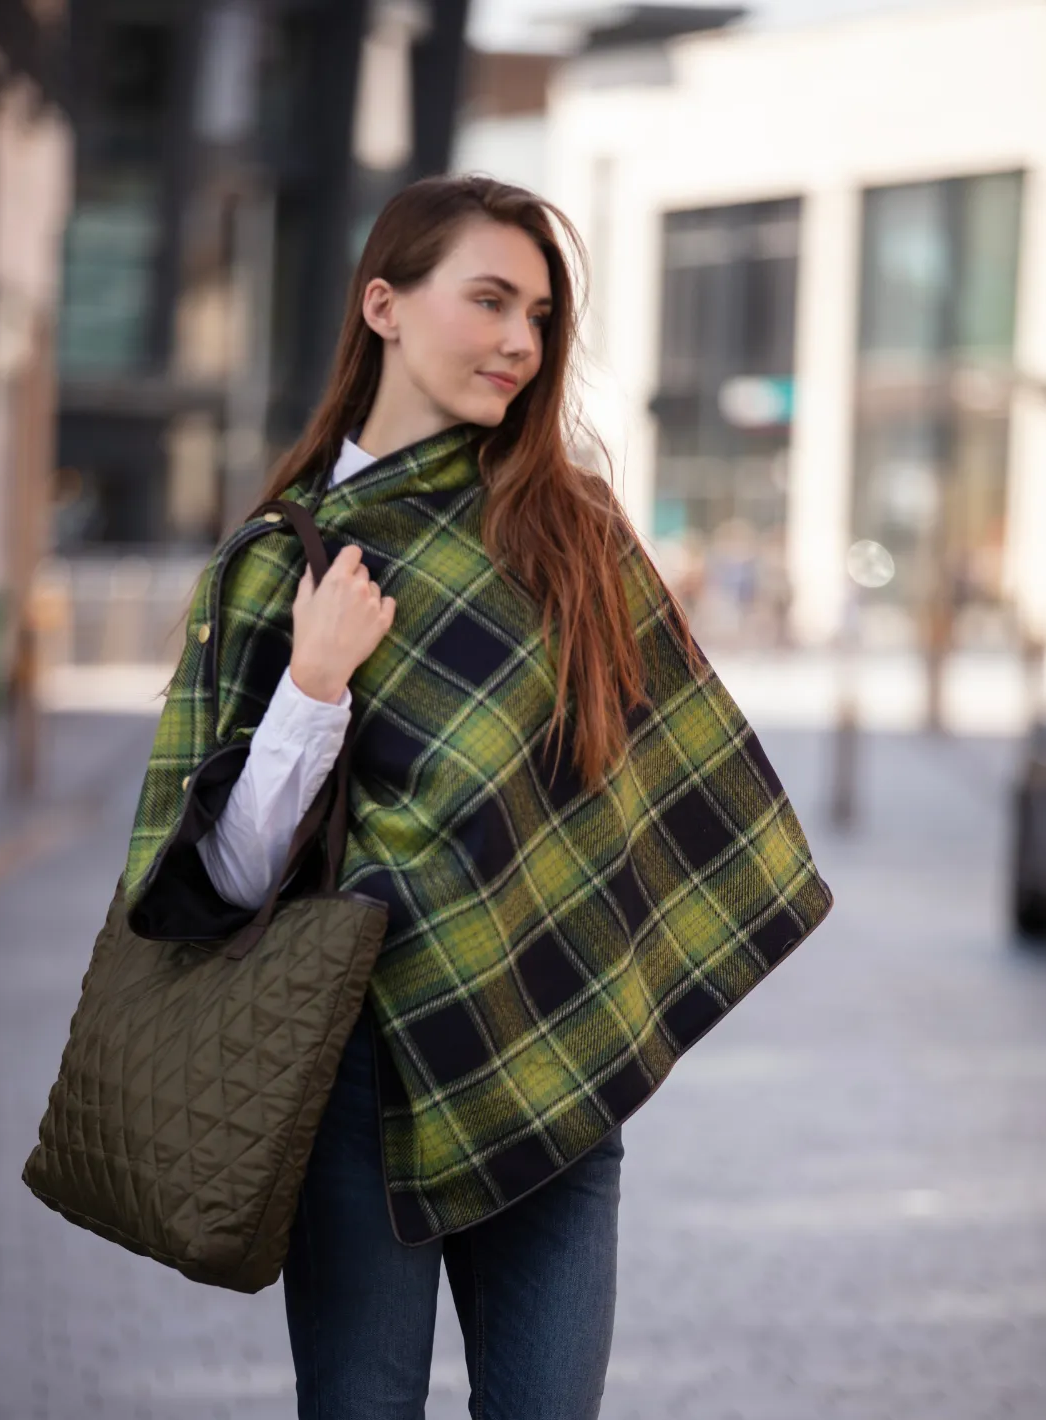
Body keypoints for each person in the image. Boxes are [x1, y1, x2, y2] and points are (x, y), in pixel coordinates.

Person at [121, 175, 833, 1419]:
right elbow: (215, 885)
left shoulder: (574, 532)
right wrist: (314, 681)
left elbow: (656, 799)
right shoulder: (279, 563)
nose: (520, 340)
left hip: (554, 1075)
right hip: (355, 1091)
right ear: (385, 304)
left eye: (541, 315)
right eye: (490, 300)